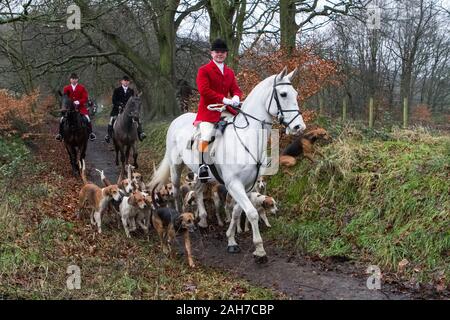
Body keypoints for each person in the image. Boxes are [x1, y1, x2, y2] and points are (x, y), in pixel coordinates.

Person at [194, 38, 242, 181]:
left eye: (222, 52)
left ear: (226, 54)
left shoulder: (230, 72)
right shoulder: (204, 70)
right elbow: (204, 90)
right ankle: (202, 165)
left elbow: (236, 90)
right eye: (217, 52)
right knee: (206, 136)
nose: (220, 54)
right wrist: (224, 99)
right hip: (208, 111)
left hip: (226, 110)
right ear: (211, 53)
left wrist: (237, 97)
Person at [105, 75, 146, 143]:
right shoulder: (117, 90)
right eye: (125, 81)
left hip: (129, 111)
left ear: (129, 82)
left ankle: (140, 133)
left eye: (127, 81)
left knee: (137, 119)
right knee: (111, 120)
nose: (126, 82)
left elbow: (133, 101)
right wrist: (120, 104)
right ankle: (108, 135)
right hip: (118, 109)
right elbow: (114, 100)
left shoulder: (131, 91)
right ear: (122, 82)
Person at [56, 73, 96, 141]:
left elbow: (85, 98)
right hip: (69, 109)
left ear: (77, 79)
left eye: (75, 79)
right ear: (70, 80)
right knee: (62, 119)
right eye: (72, 79)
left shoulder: (82, 87)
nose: (74, 80)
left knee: (87, 118)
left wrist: (79, 102)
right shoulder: (66, 88)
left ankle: (90, 134)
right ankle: (60, 134)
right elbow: (64, 98)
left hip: (81, 108)